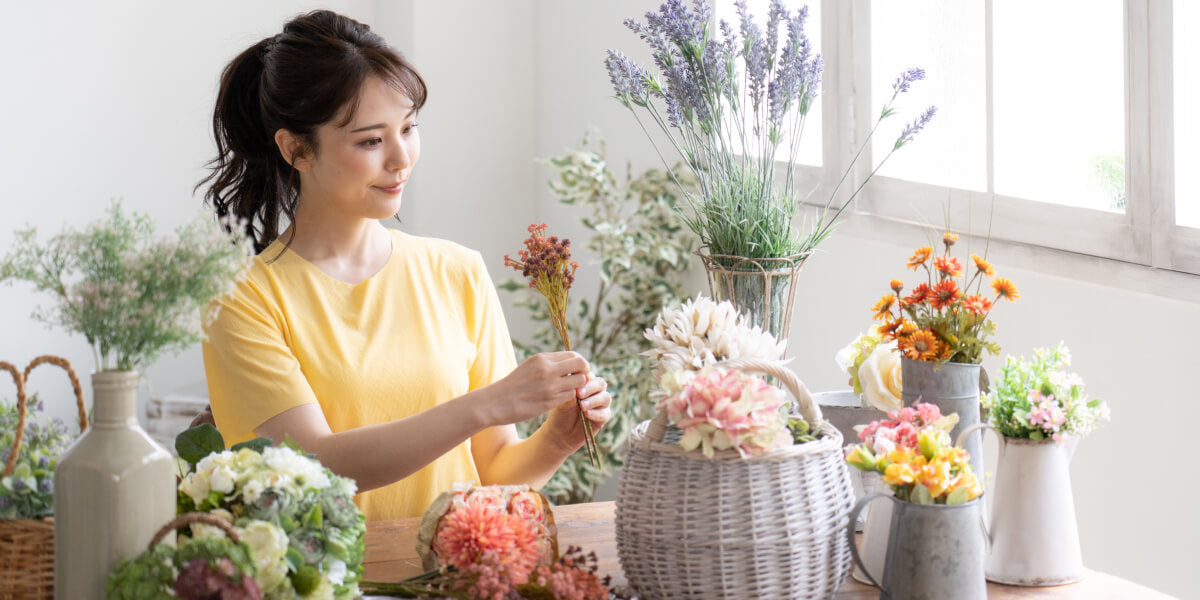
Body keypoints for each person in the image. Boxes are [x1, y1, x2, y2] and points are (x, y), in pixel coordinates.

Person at [198, 10, 611, 521]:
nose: (401, 159)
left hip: (449, 581)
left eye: (409, 128)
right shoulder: (241, 300)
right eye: (371, 140)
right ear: (296, 149)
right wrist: (487, 404)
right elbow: (310, 468)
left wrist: (556, 440)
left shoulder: (457, 271)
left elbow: (494, 474)